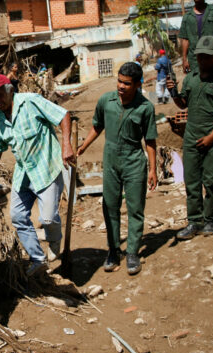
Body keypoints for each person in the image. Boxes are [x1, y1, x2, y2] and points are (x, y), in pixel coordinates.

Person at [0, 74, 75, 275]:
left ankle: (55, 240)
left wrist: (66, 144)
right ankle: (38, 259)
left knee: (47, 219)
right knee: (18, 216)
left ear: (10, 90)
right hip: (24, 173)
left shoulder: (31, 101)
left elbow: (63, 115)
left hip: (47, 167)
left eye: (0, 94)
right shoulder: (0, 121)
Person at [78, 62, 158, 275]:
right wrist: (83, 147)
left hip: (134, 162)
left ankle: (132, 252)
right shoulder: (106, 101)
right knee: (110, 206)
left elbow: (150, 141)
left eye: (127, 83)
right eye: (119, 81)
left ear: (138, 84)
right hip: (111, 161)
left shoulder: (146, 108)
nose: (121, 86)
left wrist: (153, 169)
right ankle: (113, 250)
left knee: (135, 209)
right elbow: (97, 126)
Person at [167, 36, 213, 239]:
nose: (202, 60)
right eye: (199, 56)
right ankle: (194, 221)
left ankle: (210, 220)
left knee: (212, 180)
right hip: (192, 135)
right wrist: (173, 92)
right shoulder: (191, 79)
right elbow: (182, 104)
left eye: (207, 57)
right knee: (192, 180)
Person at [179, 0, 213, 73]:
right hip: (194, 60)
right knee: (195, 82)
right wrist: (184, 59)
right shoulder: (187, 17)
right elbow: (185, 39)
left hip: (212, 57)